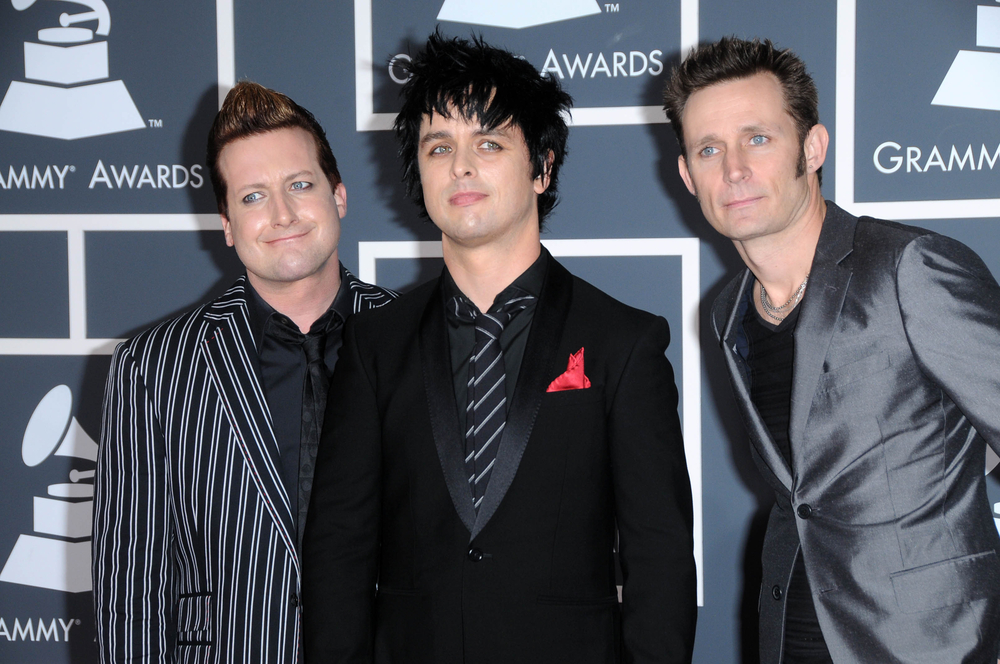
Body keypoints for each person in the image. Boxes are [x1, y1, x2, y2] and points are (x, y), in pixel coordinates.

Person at [302, 32, 697, 664]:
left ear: (541, 167)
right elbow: (339, 550)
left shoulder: (624, 342)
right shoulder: (374, 343)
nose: (461, 166)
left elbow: (660, 558)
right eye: (439, 147)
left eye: (489, 143)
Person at [664, 36, 1000, 663]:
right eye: (709, 149)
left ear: (811, 148)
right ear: (687, 174)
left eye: (757, 138)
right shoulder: (727, 309)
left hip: (928, 646)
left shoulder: (909, 268)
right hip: (788, 638)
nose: (733, 169)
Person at [91, 81, 397, 663]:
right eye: (253, 197)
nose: (282, 214)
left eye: (300, 186)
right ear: (228, 225)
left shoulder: (416, 338)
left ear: (339, 197)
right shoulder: (152, 367)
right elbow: (130, 584)